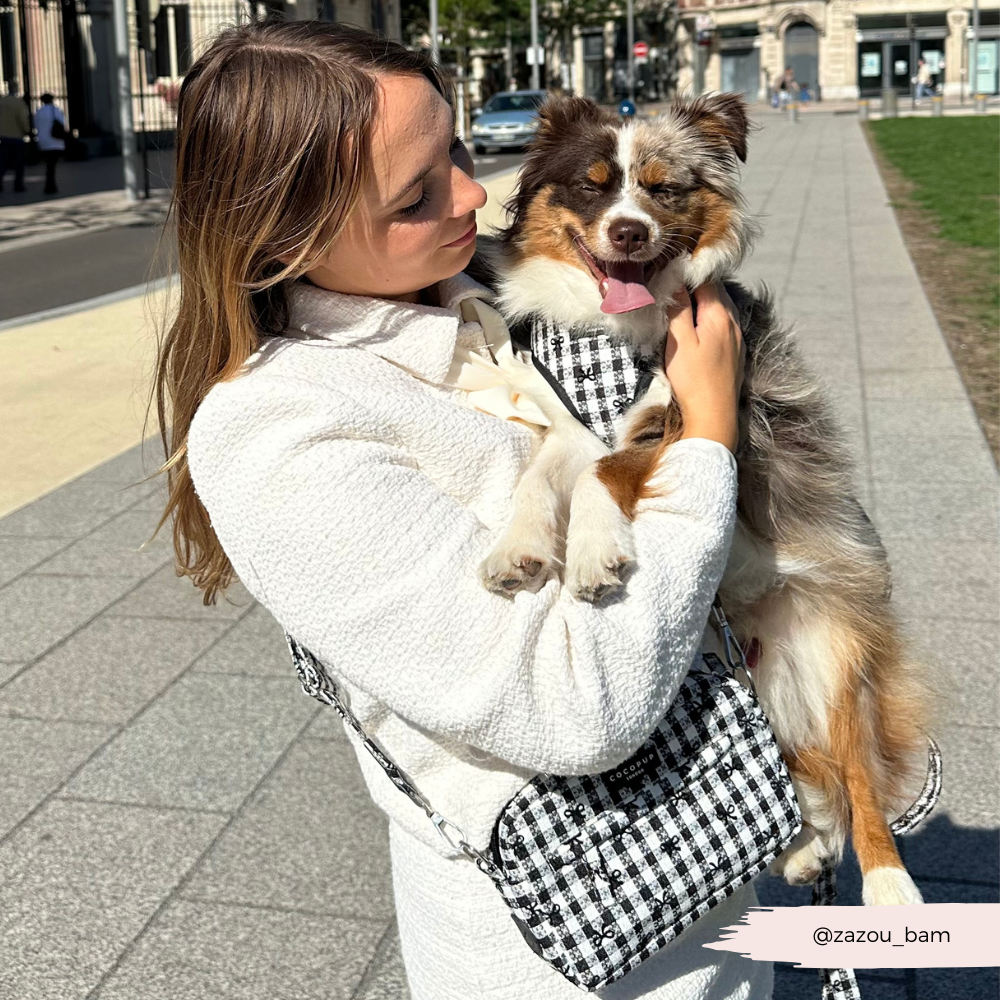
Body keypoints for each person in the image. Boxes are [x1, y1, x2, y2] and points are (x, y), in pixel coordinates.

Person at [153, 21, 759, 1000]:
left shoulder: (491, 286)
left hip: (717, 851)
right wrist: (708, 434)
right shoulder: (283, 436)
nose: (475, 196)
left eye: (461, 153)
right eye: (416, 196)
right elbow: (579, 708)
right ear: (285, 239)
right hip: (577, 942)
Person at [34, 93, 65, 194]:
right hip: (55, 142)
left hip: (43, 142)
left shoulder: (39, 112)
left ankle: (50, 184)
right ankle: (51, 184)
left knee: (48, 164)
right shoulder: (56, 110)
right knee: (52, 165)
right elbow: (62, 123)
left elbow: (36, 125)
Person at [0, 85, 30, 193]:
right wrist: (26, 130)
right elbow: (23, 119)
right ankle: (18, 184)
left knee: (2, 161)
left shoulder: (2, 102)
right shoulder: (19, 103)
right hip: (17, 136)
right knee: (19, 163)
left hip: (3, 135)